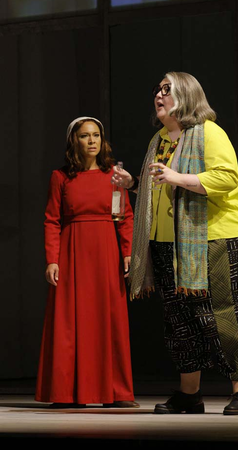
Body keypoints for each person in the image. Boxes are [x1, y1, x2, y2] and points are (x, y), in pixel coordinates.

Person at [112, 72, 238, 415]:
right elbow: (160, 189)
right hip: (167, 243)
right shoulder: (159, 140)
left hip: (217, 238)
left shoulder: (209, 133)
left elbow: (226, 178)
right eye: (156, 90)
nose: (158, 95)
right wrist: (135, 183)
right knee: (179, 321)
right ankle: (189, 394)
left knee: (223, 314)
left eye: (167, 89)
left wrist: (177, 177)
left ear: (187, 95)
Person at [35, 116, 139, 408]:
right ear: (74, 141)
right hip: (72, 253)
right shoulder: (61, 177)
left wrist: (128, 251)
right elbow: (52, 220)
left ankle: (116, 392)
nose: (92, 140)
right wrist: (52, 259)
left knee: (109, 320)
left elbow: (124, 217)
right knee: (69, 322)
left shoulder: (114, 175)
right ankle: (66, 392)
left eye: (96, 135)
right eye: (85, 136)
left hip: (106, 253)